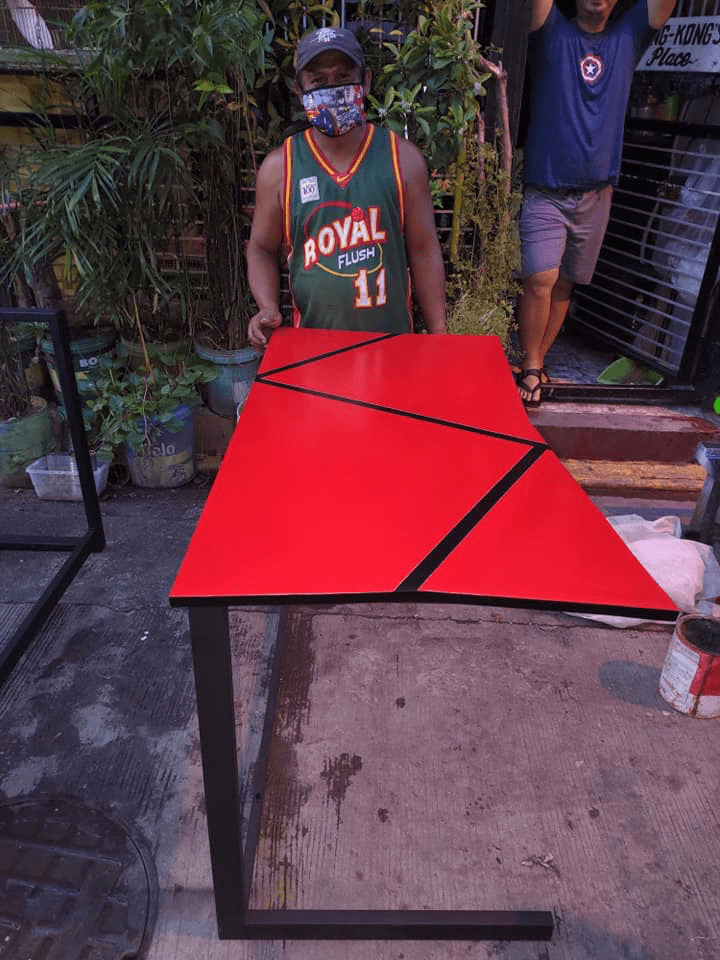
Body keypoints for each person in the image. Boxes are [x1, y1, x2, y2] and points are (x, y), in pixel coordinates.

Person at [516, 0, 676, 407]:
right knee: (540, 279)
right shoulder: (553, 32)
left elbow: (661, 6)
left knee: (566, 283)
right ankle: (531, 365)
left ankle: (539, 358)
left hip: (597, 194)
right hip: (546, 189)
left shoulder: (628, 36)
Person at [247, 26, 447, 348]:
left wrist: (440, 338)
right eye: (319, 81)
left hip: (393, 349)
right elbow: (260, 249)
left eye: (342, 77)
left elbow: (424, 250)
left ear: (365, 81)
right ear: (301, 91)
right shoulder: (279, 168)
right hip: (315, 352)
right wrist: (267, 306)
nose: (333, 88)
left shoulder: (403, 161)